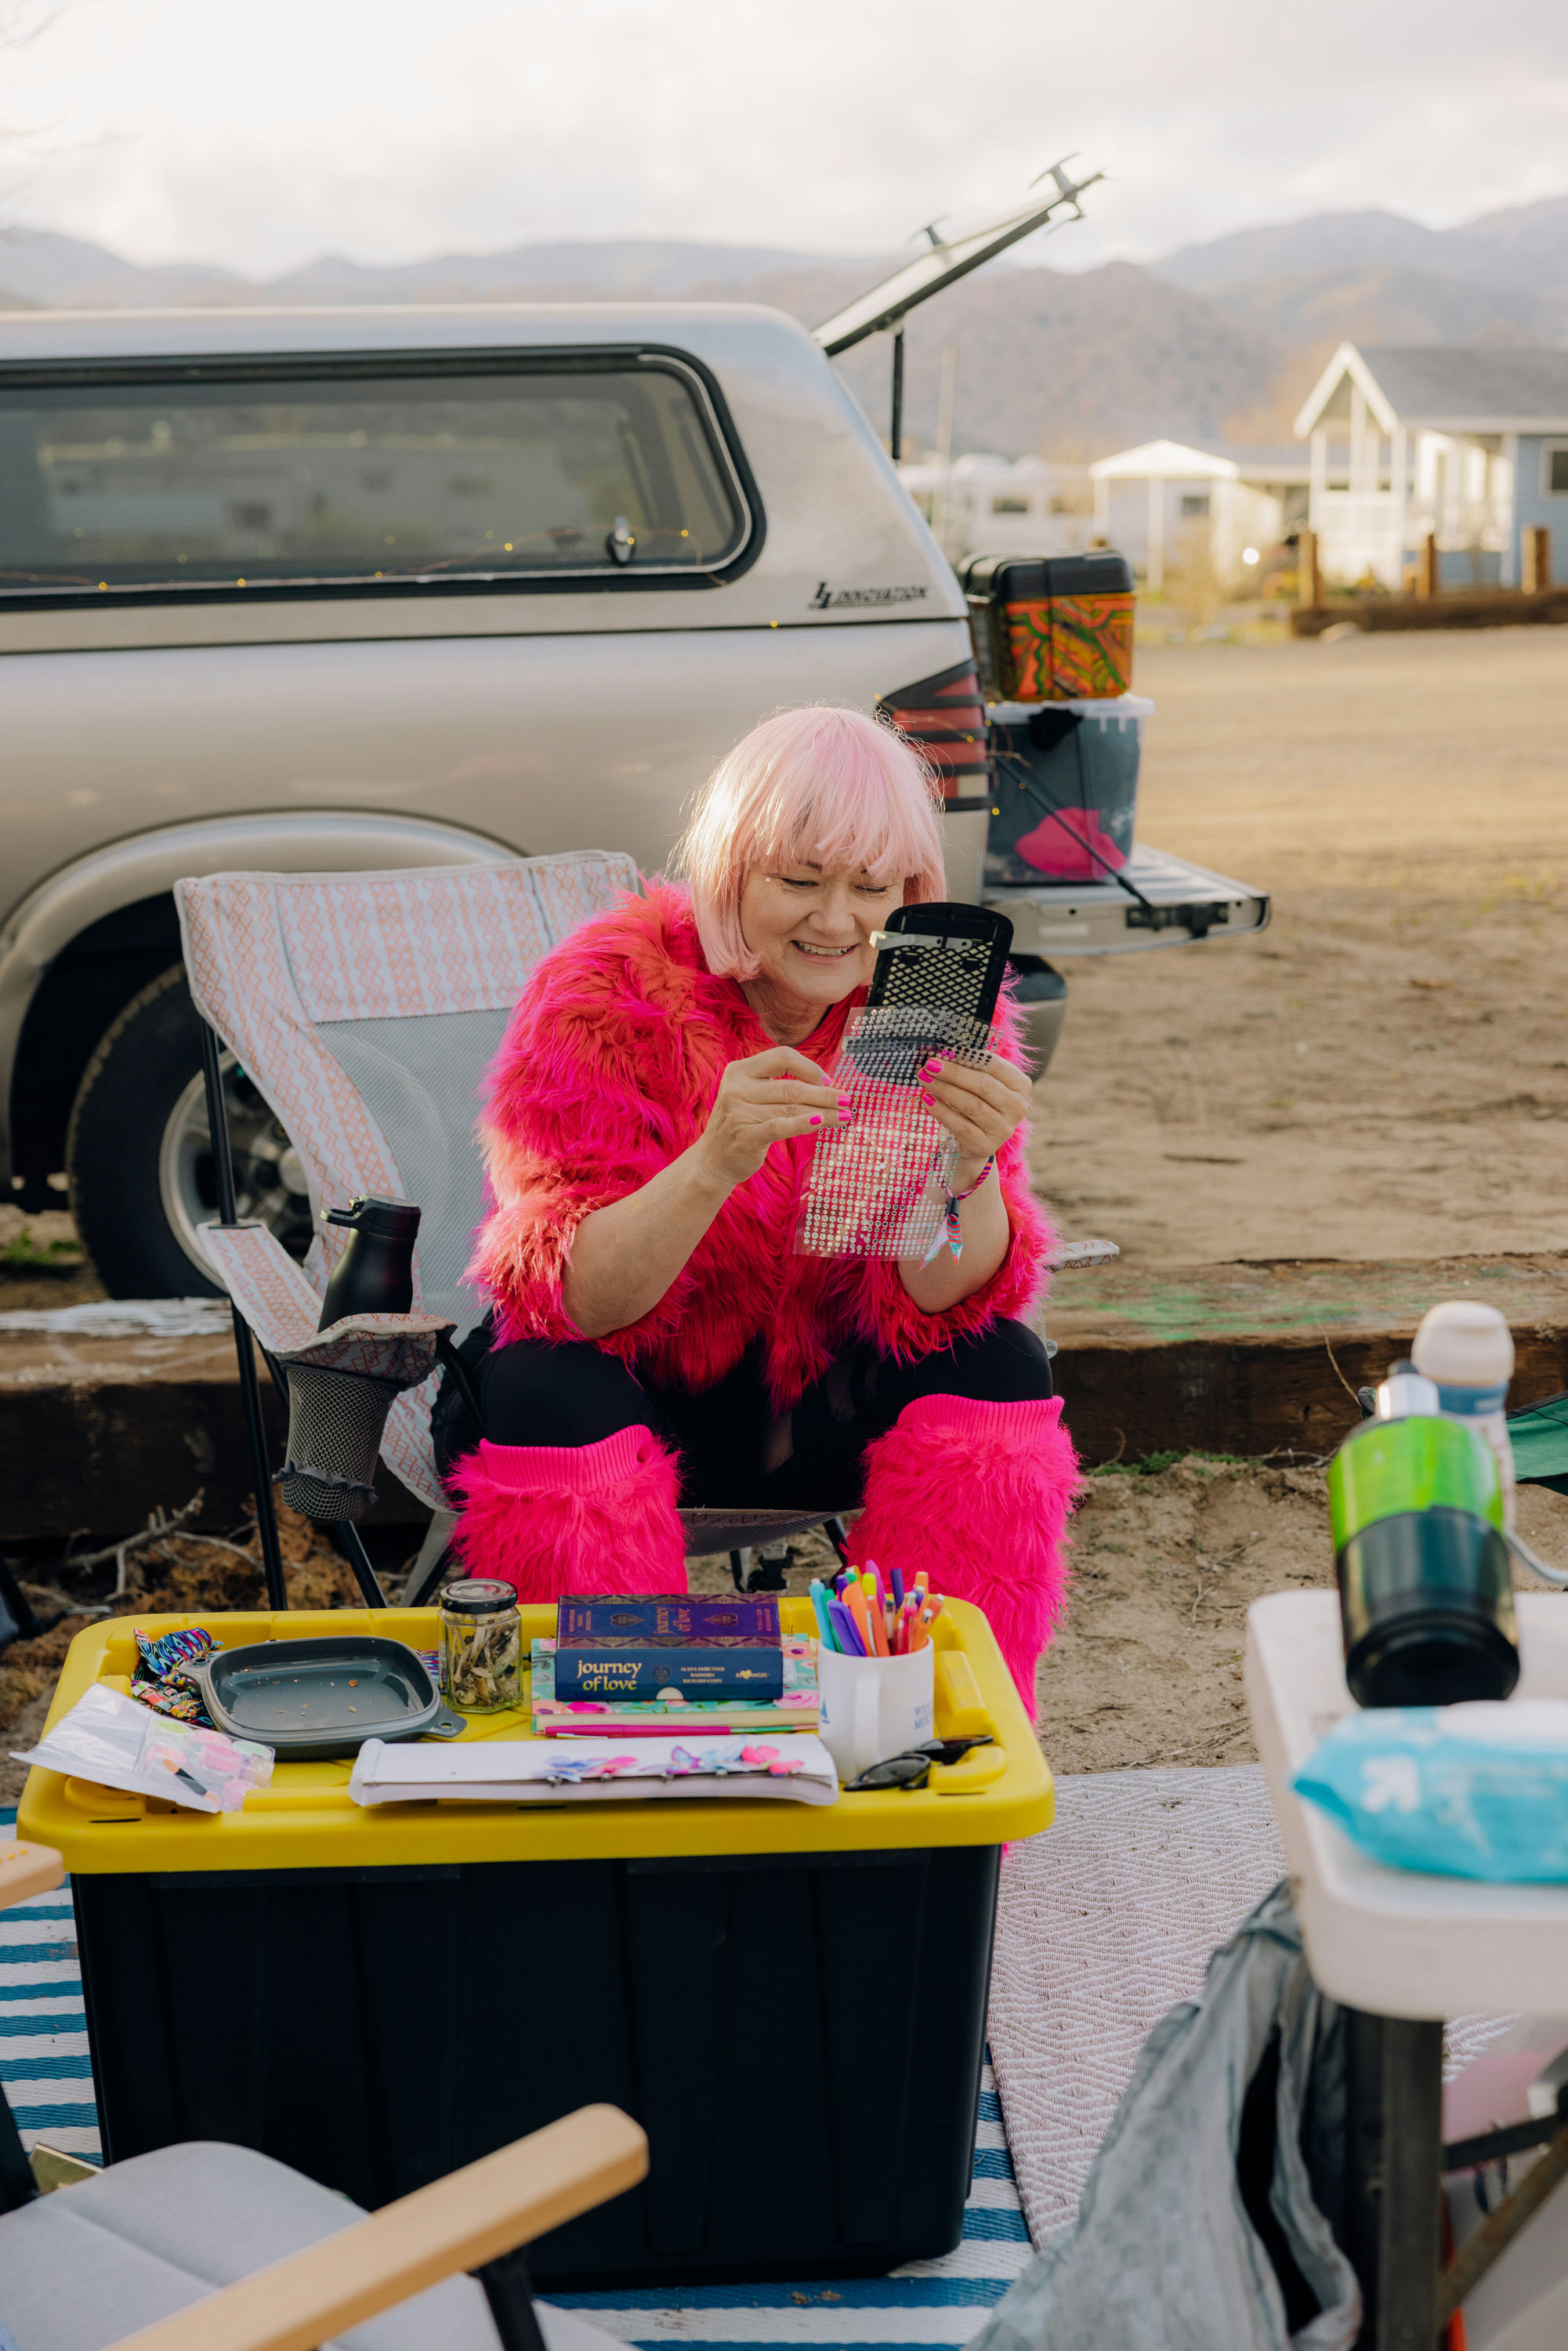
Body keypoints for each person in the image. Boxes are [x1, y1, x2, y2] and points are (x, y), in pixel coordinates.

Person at [434, 705, 1077, 1707]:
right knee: (548, 1383)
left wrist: (969, 1169)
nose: (838, 922)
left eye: (872, 887)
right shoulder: (609, 995)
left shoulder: (930, 1007)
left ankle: (943, 1715)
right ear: (732, 873)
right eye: (799, 881)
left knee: (1000, 1363)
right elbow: (571, 1301)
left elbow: (945, 1304)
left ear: (911, 891)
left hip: (814, 1407)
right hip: (633, 1395)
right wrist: (714, 1163)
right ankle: (610, 1721)